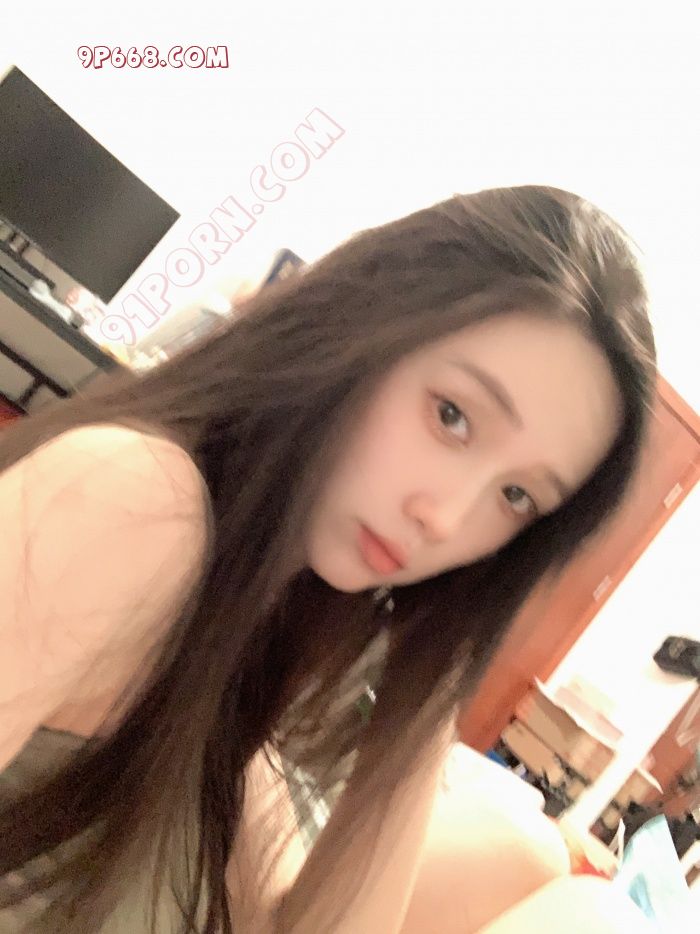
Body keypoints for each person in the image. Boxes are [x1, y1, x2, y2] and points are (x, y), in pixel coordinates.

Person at [0, 185, 657, 933]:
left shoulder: (275, 607)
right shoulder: (137, 502)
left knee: (556, 874)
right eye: (451, 415)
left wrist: (438, 664)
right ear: (364, 322)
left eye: (515, 496)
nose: (446, 519)